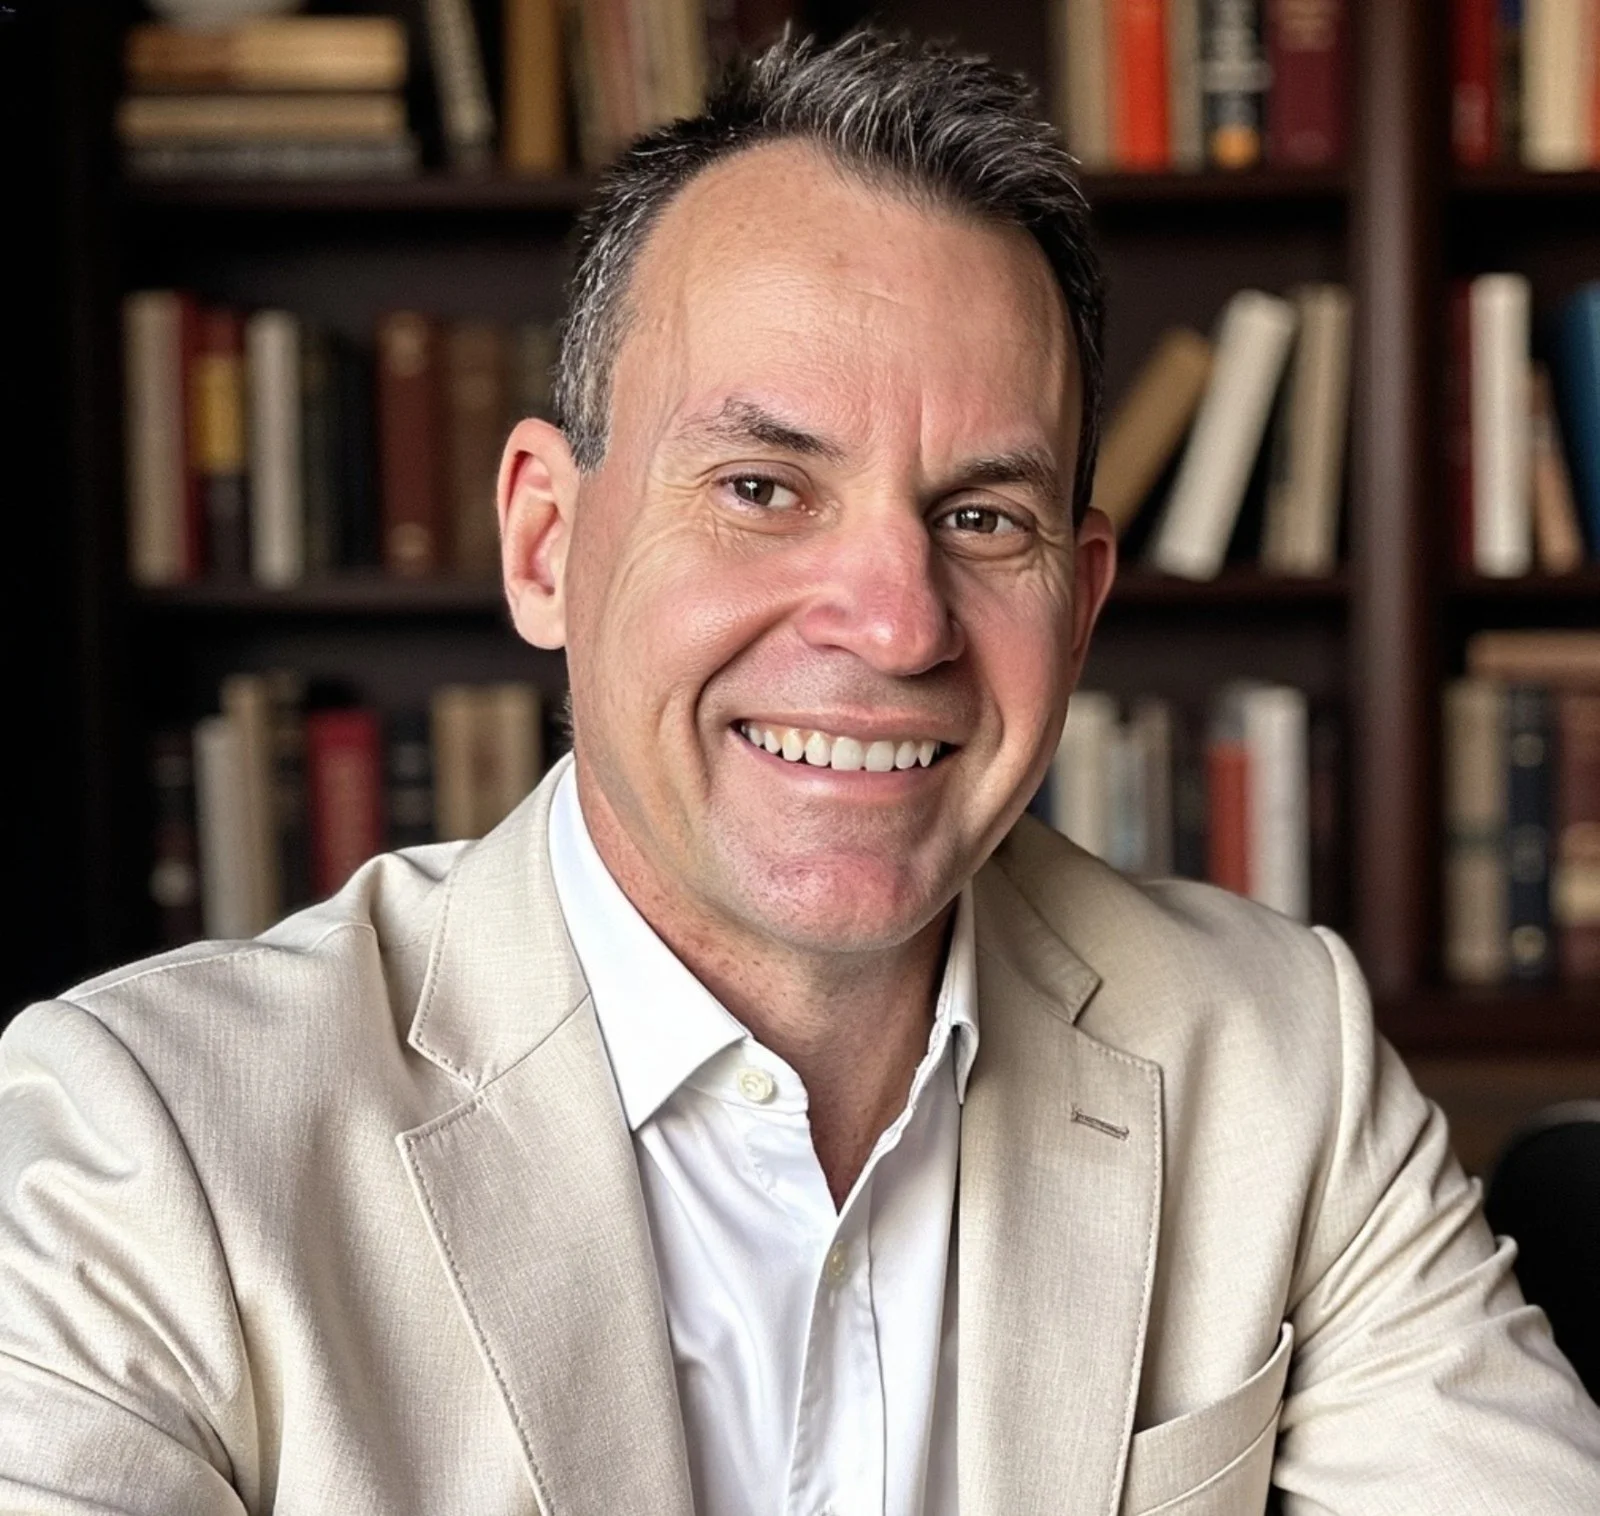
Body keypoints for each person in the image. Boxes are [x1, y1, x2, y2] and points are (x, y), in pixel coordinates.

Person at [3, 30, 1598, 1516]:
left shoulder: (1279, 1066)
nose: (899, 623)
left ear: (1083, 598)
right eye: (764, 485)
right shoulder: (150, 1146)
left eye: (983, 518)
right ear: (547, 543)